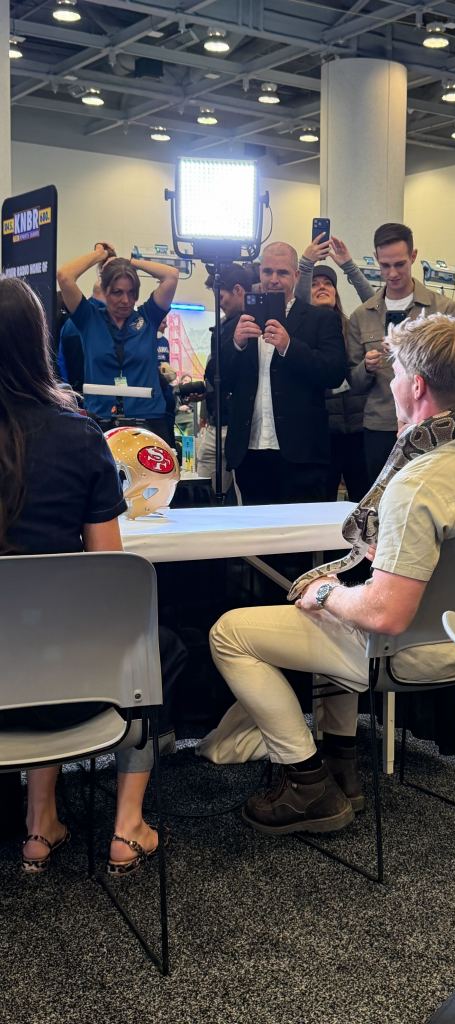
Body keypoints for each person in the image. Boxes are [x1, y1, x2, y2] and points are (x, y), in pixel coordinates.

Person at [208, 314, 455, 834]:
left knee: (231, 633)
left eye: (397, 371)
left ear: (416, 385)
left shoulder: (417, 485)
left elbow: (386, 614)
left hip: (405, 652)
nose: (392, 380)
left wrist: (326, 591)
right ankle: (342, 767)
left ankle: (306, 783)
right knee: (339, 607)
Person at [0, 276, 179, 874]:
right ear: (39, 344)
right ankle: (126, 827)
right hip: (64, 690)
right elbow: (110, 576)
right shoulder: (80, 436)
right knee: (150, 646)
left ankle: (40, 821)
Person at [223, 242, 347, 505]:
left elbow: (334, 372)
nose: (273, 280)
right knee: (257, 538)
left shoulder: (320, 319)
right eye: (267, 272)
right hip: (250, 450)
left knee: (298, 542)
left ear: (296, 275)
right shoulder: (237, 323)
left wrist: (289, 346)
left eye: (282, 273)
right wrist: (236, 344)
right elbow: (217, 379)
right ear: (259, 274)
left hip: (301, 453)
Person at [347, 222, 455, 481]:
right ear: (376, 259)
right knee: (379, 504)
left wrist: (413, 351)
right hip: (380, 425)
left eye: (400, 264)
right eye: (385, 265)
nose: (393, 273)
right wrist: (366, 367)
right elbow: (352, 382)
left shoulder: (443, 309)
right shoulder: (361, 316)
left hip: (431, 423)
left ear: (413, 256)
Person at [56, 243, 179, 445]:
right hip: (101, 423)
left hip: (149, 422)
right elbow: (65, 275)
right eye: (117, 292)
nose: (125, 300)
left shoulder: (148, 318)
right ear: (104, 291)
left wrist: (129, 263)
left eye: (131, 293)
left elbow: (171, 276)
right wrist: (100, 255)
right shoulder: (88, 319)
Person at [300, 261, 372, 502]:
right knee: (322, 501)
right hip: (323, 433)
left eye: (328, 283)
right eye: (314, 284)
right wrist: (306, 262)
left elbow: (375, 304)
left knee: (364, 501)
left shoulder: (353, 325)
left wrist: (350, 268)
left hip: (359, 429)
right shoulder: (300, 330)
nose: (322, 287)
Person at [198, 262, 259, 497]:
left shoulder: (251, 325)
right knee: (208, 486)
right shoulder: (223, 326)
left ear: (238, 290)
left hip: (237, 421)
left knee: (240, 491)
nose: (218, 302)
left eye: (220, 296)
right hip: (216, 419)